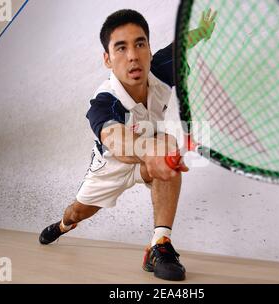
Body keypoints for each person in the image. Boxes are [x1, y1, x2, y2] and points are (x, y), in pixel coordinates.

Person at [39, 8, 216, 281]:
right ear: (107, 59)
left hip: (151, 156)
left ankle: (160, 245)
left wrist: (202, 33)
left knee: (166, 144)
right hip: (109, 167)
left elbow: (182, 44)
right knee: (77, 212)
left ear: (148, 48)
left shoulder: (160, 68)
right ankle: (62, 226)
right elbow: (114, 139)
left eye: (140, 44)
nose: (133, 55)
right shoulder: (103, 102)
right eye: (121, 48)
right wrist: (147, 151)